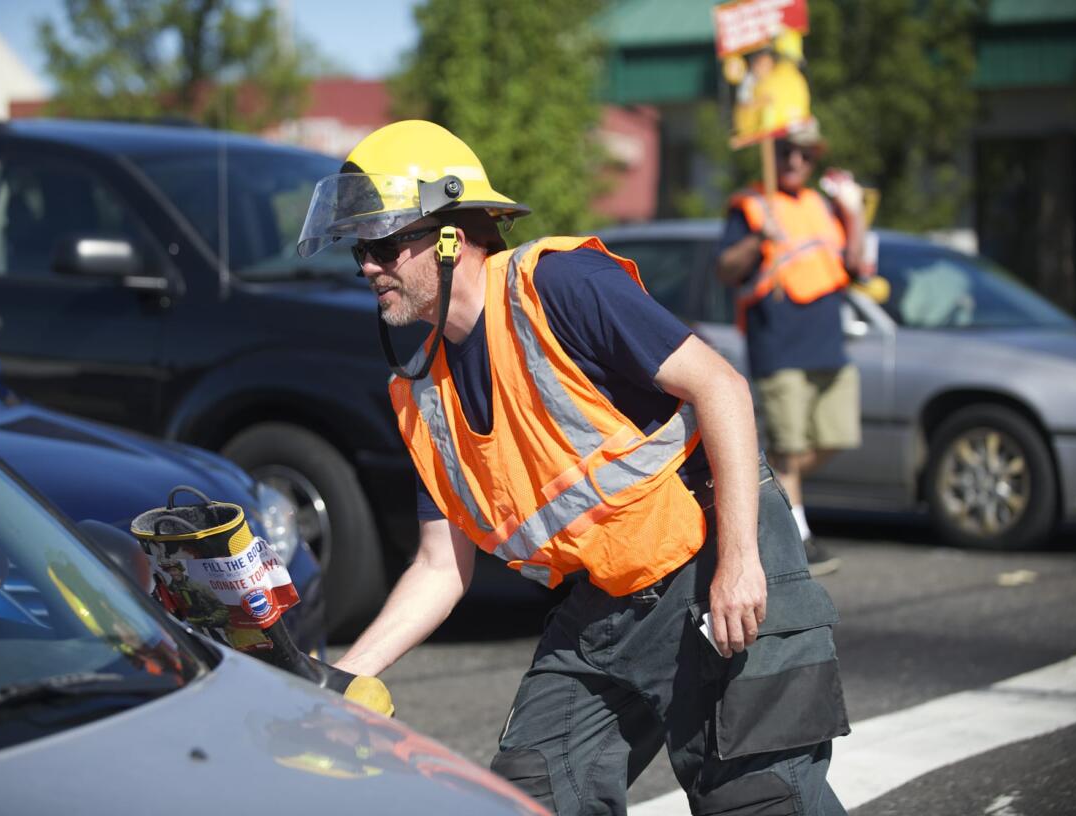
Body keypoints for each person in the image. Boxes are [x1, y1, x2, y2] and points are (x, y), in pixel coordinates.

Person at [296, 120, 849, 815]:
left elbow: (724, 390)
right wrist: (340, 677)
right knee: (532, 795)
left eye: (380, 244)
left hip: (712, 557)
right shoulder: (421, 393)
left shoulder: (557, 284)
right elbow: (442, 567)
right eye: (358, 251)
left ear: (448, 235)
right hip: (605, 606)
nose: (366, 267)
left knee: (757, 801)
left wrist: (741, 562)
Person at [716, 118, 871, 576]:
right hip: (779, 345)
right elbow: (725, 268)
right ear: (772, 154)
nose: (795, 161)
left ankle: (758, 484)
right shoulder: (751, 205)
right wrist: (756, 240)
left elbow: (857, 265)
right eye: (785, 151)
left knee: (835, 436)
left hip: (827, 344)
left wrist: (856, 212)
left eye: (804, 153)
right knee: (788, 445)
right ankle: (799, 539)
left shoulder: (822, 206)